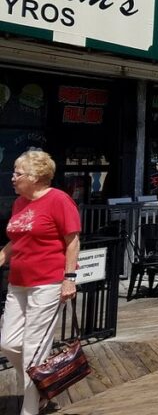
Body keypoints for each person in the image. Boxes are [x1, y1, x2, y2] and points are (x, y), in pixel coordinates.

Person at [0, 150, 81, 415]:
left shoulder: (59, 200)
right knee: (8, 342)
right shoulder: (20, 203)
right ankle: (44, 385)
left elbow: (72, 241)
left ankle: (31, 408)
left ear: (36, 177)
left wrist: (69, 279)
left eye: (18, 173)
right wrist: (3, 254)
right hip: (18, 281)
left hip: (47, 282)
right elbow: (19, 237)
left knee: (34, 347)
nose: (13, 177)